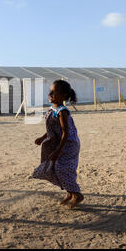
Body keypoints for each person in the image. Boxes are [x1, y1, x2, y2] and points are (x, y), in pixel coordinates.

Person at [32, 80, 84, 209]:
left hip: (68, 144)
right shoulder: (51, 109)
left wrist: (59, 151)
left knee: (63, 168)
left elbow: (65, 132)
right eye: (50, 92)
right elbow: (53, 129)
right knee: (54, 168)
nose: (50, 94)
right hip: (59, 143)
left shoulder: (62, 112)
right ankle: (70, 192)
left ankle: (76, 194)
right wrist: (43, 137)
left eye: (53, 92)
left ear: (63, 95)